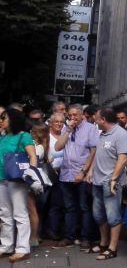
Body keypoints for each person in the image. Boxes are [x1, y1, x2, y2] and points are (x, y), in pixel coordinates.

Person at [86, 108, 127, 261]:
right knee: (98, 215)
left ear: (103, 119)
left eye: (96, 118)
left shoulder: (121, 134)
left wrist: (113, 179)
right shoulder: (103, 134)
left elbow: (123, 158)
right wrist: (91, 171)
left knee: (113, 216)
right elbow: (98, 155)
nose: (94, 121)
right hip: (98, 181)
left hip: (110, 182)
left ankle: (113, 248)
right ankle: (104, 243)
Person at [55, 104, 100, 250]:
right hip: (66, 174)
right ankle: (70, 236)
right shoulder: (66, 128)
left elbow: (94, 151)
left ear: (82, 115)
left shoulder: (90, 129)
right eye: (70, 115)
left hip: (82, 174)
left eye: (75, 115)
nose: (72, 118)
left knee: (84, 207)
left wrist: (84, 171)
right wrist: (68, 130)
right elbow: (58, 147)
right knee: (69, 207)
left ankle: (86, 237)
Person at [0, 108, 38, 262]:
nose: (1, 121)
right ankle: (6, 246)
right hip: (2, 178)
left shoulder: (24, 136)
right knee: (5, 214)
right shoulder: (3, 137)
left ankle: (22, 248)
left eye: (4, 118)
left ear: (13, 120)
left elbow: (33, 157)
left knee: (20, 213)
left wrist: (30, 174)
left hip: (16, 179)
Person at [44, 112, 65, 241]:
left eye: (61, 122)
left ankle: (55, 229)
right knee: (47, 202)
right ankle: (46, 230)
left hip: (64, 173)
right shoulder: (47, 137)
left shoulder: (66, 135)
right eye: (56, 122)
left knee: (59, 203)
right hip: (49, 173)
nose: (59, 124)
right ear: (51, 123)